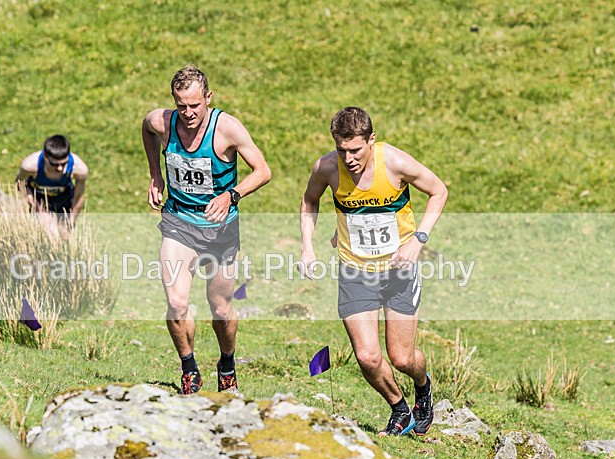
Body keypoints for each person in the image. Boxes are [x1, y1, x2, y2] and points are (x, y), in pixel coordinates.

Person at [299, 107, 448, 436]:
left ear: (371, 141)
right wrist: (307, 246)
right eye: (342, 149)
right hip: (355, 271)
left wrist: (418, 241)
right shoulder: (327, 167)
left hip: (399, 271)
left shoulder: (394, 162)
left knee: (403, 358)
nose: (349, 158)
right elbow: (310, 200)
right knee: (367, 357)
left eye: (355, 150)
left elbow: (439, 191)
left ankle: (422, 387)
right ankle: (399, 408)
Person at [142, 65, 271, 395]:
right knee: (176, 302)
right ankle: (189, 369)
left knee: (221, 308)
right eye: (181, 105)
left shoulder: (227, 128)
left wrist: (232, 195)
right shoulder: (164, 122)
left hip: (219, 230)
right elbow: (146, 127)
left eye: (195, 105)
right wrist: (156, 173)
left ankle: (226, 363)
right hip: (178, 223)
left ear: (208, 98)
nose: (187, 113)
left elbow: (263, 171)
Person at [14, 135, 89, 237]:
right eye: (54, 164)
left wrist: (70, 223)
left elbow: (78, 198)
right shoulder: (30, 166)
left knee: (64, 237)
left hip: (63, 201)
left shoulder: (79, 169)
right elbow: (20, 185)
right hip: (38, 199)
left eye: (63, 164)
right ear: (45, 156)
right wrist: (39, 209)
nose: (59, 168)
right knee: (48, 232)